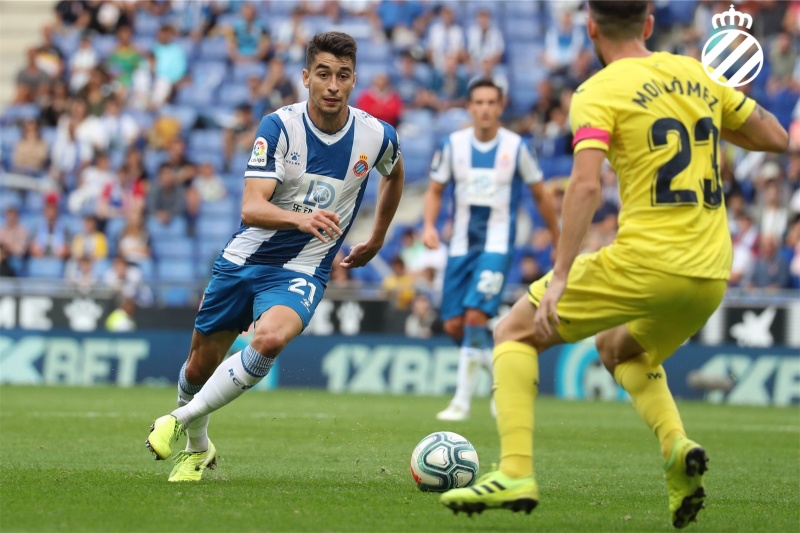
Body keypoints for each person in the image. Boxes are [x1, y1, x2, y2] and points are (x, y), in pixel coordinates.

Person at [439, 2, 789, 528]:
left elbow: (584, 184)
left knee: (513, 330)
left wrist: (559, 277)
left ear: (591, 28)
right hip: (712, 271)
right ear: (649, 25)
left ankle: (514, 471)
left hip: (647, 261)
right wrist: (709, 111)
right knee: (619, 348)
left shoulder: (598, 91)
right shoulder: (695, 73)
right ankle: (676, 450)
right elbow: (777, 139)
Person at [145, 32, 404, 482]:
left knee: (269, 339)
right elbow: (251, 207)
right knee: (196, 368)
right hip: (244, 260)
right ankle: (197, 448)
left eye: (342, 76)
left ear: (353, 81)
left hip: (304, 268)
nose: (332, 85)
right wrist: (300, 219)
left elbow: (395, 173)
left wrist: (378, 237)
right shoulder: (279, 127)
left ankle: (178, 421)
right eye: (323, 74)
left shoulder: (376, 135)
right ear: (306, 77)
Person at [423, 78, 559, 422]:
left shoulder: (517, 148)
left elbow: (541, 194)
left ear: (500, 107)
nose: (484, 108)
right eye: (478, 102)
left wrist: (558, 237)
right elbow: (436, 190)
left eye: (490, 102)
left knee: (474, 317)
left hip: (497, 247)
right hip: (460, 248)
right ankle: (503, 380)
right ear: (469, 107)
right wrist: (428, 226)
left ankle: (461, 403)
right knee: (454, 325)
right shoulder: (452, 145)